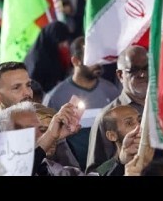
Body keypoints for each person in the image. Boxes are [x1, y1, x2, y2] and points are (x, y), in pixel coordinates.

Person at [43, 37, 121, 169]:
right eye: (92, 58)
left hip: (107, 167)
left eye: (99, 58)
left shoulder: (111, 91)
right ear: (75, 61)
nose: (98, 63)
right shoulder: (55, 97)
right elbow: (47, 137)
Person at [85, 45, 148, 173]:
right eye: (134, 70)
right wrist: (120, 159)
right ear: (120, 75)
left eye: (147, 68)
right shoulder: (107, 116)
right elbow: (94, 173)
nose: (142, 74)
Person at [0, 101, 83, 176]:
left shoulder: (55, 170)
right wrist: (50, 136)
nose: (42, 135)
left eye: (43, 130)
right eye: (30, 130)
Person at [93, 105, 141, 176]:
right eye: (129, 123)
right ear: (112, 136)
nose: (139, 126)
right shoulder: (102, 172)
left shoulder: (156, 157)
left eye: (140, 120)